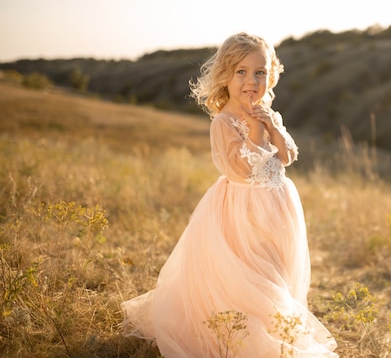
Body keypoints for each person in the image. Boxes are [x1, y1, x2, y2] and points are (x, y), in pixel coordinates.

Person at [120, 32, 338, 358]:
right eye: (241, 72)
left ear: (271, 76)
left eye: (260, 72)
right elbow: (239, 169)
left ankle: (276, 327)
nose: (251, 80)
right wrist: (255, 130)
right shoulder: (223, 122)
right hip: (241, 212)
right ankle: (244, 337)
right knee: (249, 278)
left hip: (279, 207)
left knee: (276, 270)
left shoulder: (270, 115)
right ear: (226, 76)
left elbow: (288, 156)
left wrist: (273, 127)